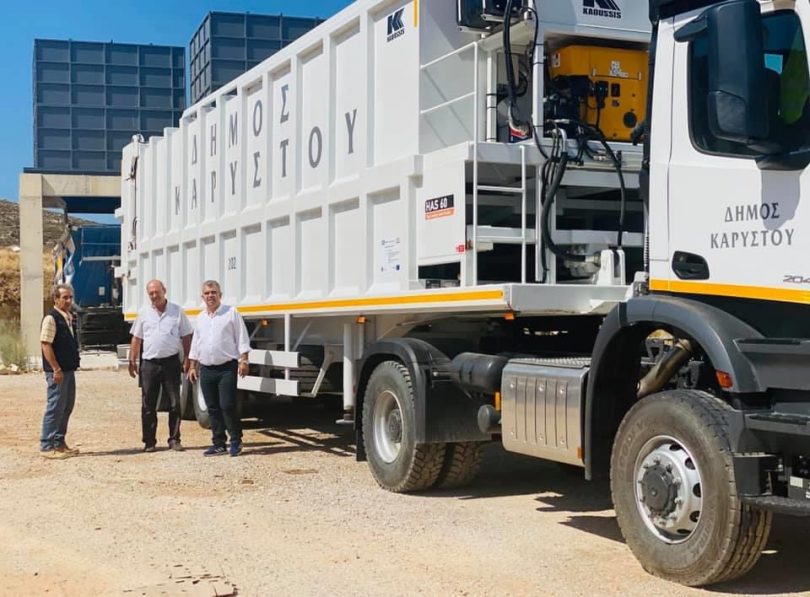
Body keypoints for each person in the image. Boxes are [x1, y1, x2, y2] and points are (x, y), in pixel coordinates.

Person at [129, 279, 193, 452]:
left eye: (157, 292)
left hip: (171, 362)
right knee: (148, 404)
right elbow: (136, 338)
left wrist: (188, 358)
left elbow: (186, 336)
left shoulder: (177, 311)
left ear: (164, 290)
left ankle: (174, 439)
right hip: (149, 365)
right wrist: (132, 360)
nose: (154, 296)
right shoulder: (144, 313)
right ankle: (149, 441)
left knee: (175, 403)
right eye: (150, 293)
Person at [188, 280, 250, 457]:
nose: (210, 296)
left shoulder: (231, 313)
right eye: (207, 293)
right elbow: (196, 343)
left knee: (227, 405)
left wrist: (244, 360)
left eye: (213, 292)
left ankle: (236, 441)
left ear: (220, 295)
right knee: (212, 408)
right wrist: (192, 365)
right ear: (202, 297)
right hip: (206, 369)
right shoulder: (200, 318)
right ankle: (219, 443)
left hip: (226, 368)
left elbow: (242, 337)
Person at [40, 283, 80, 459]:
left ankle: (59, 442)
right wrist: (55, 368)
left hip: (68, 370)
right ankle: (47, 445)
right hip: (58, 372)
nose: (68, 301)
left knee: (66, 407)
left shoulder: (69, 318)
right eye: (65, 297)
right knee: (55, 407)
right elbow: (46, 344)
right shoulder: (51, 319)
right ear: (56, 299)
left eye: (70, 297)